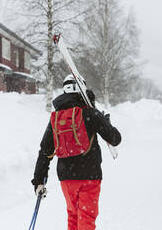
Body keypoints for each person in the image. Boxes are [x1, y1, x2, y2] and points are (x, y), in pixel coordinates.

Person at [31, 74, 121, 230]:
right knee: (86, 217)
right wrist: (104, 120)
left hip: (66, 178)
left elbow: (45, 150)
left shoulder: (57, 118)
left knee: (73, 216)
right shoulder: (90, 113)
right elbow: (115, 138)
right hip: (90, 175)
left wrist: (38, 179)